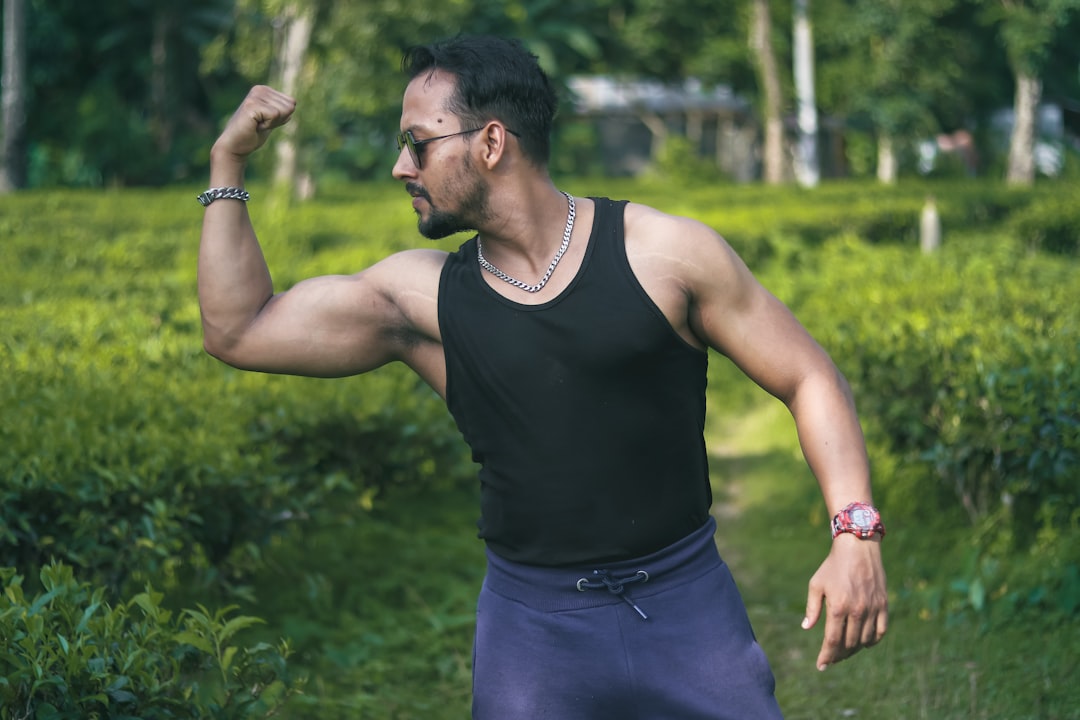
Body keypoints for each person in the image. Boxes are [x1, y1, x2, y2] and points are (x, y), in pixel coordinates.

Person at [198, 35, 887, 720]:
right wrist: (228, 163)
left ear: (491, 142)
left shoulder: (665, 255)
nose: (398, 168)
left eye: (417, 143)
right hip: (531, 633)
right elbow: (239, 329)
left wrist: (854, 533)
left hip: (688, 609)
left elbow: (808, 376)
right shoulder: (421, 298)